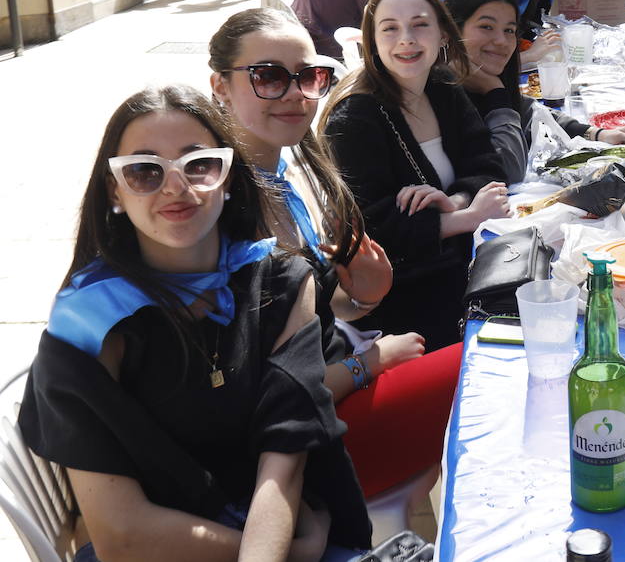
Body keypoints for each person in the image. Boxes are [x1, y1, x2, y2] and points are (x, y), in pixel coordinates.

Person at [19, 85, 370, 560]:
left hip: (276, 527)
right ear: (114, 191)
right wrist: (283, 554)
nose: (175, 187)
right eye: (144, 171)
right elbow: (119, 533)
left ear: (228, 179)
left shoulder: (284, 283)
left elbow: (283, 462)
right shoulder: (89, 325)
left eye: (199, 164)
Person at [208, 9, 461, 499]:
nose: (294, 94)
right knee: (494, 371)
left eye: (309, 77)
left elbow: (307, 316)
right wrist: (370, 362)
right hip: (304, 453)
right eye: (268, 77)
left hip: (336, 394)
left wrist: (362, 298)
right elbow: (264, 391)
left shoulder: (285, 172)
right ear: (220, 86)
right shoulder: (221, 208)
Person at [322, 0, 509, 349]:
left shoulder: (442, 89)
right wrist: (465, 218)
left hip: (459, 269)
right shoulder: (355, 118)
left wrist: (453, 199)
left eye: (419, 25)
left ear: (442, 33)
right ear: (372, 42)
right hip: (402, 302)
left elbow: (487, 165)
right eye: (389, 29)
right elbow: (374, 230)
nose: (406, 39)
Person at [446, 0, 625, 185]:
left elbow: (532, 114)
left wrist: (595, 133)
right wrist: (496, 94)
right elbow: (509, 169)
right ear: (452, 30)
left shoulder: (479, 80)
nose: (501, 41)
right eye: (486, 27)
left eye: (509, 30)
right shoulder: (441, 94)